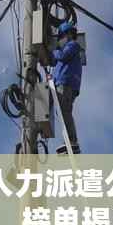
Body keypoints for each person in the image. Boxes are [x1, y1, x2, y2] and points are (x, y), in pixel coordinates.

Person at [51, 21, 83, 155]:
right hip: (65, 84)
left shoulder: (72, 45)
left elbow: (62, 56)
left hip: (66, 84)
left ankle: (72, 141)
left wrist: (53, 50)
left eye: (61, 37)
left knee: (64, 112)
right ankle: (71, 141)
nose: (60, 40)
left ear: (68, 34)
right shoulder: (67, 49)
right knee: (64, 112)